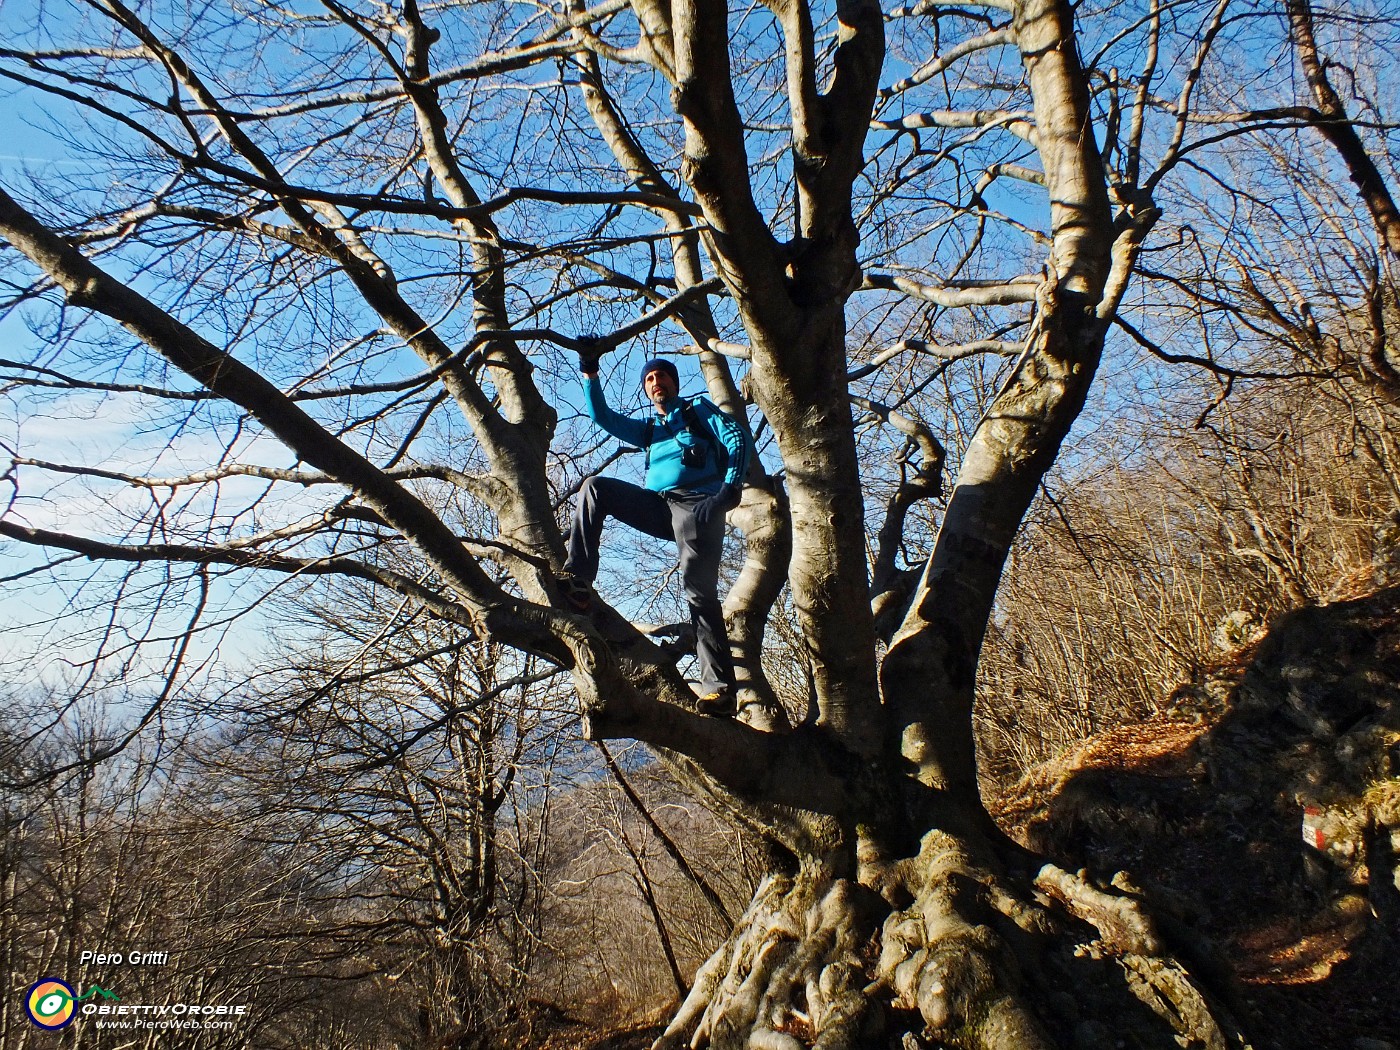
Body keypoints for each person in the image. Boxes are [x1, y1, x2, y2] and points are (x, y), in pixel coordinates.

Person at [559, 344, 749, 716]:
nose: (655, 381)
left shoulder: (697, 411)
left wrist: (729, 489)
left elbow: (736, 437)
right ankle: (579, 580)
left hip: (698, 506)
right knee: (596, 487)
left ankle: (719, 690)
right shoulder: (650, 431)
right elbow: (603, 417)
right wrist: (590, 371)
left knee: (698, 590)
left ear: (674, 383)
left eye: (661, 375)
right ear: (645, 389)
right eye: (649, 378)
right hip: (658, 505)